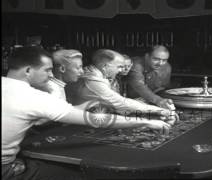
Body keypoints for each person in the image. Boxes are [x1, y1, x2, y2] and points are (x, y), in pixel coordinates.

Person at [2, 47, 173, 180]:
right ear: (27, 71)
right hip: (6, 170)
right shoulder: (34, 96)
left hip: (18, 155)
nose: (51, 73)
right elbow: (96, 119)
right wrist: (146, 122)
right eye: (47, 70)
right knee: (80, 174)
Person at [70, 49, 178, 124]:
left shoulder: (101, 75)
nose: (122, 70)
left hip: (90, 116)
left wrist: (152, 113)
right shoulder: (93, 79)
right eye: (119, 67)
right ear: (105, 66)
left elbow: (118, 107)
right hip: (72, 123)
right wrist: (160, 111)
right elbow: (121, 103)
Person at [127, 45, 175, 110]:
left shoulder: (166, 67)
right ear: (147, 56)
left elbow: (163, 89)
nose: (160, 63)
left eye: (164, 60)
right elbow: (139, 85)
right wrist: (158, 100)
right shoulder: (135, 64)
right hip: (129, 102)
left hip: (152, 103)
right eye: (156, 59)